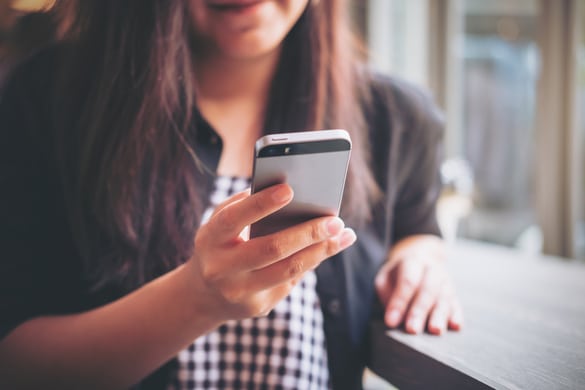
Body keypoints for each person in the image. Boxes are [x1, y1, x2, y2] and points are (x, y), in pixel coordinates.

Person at [0, 0, 463, 389]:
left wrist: (422, 255)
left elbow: (415, 225)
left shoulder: (394, 117)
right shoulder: (45, 101)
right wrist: (196, 298)